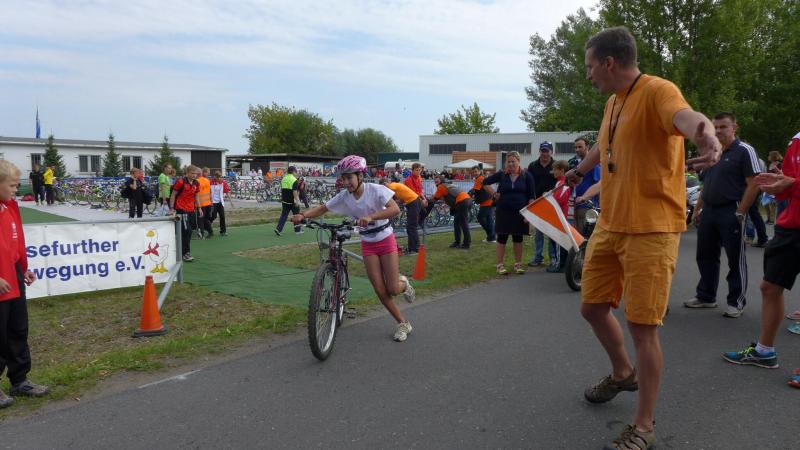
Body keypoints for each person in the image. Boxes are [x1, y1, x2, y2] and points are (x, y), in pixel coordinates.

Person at [565, 26, 721, 449]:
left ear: (609, 62)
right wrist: (580, 171)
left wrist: (706, 133)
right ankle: (623, 373)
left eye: (590, 66)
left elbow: (687, 117)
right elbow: (604, 144)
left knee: (642, 327)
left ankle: (644, 427)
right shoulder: (613, 102)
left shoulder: (658, 91)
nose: (588, 74)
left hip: (651, 227)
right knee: (592, 307)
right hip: (611, 223)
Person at [292, 155, 416, 342]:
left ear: (360, 176)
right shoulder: (344, 196)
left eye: (349, 177)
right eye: (343, 178)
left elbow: (395, 209)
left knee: (392, 288)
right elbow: (323, 208)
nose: (346, 182)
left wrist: (371, 217)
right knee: (380, 290)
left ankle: (404, 284)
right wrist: (303, 215)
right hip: (368, 243)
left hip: (385, 239)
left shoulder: (376, 190)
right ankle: (403, 323)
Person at [722, 130, 800, 389]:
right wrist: (777, 185)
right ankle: (764, 352)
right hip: (791, 226)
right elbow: (789, 184)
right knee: (770, 287)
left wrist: (790, 184)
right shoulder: (797, 141)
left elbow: (794, 182)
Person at [685, 112, 761, 318]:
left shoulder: (744, 150)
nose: (718, 131)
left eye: (723, 127)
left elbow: (754, 183)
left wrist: (741, 211)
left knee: (735, 258)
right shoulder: (713, 151)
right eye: (715, 127)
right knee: (705, 255)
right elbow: (706, 184)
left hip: (731, 210)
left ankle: (736, 301)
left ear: (735, 128)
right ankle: (706, 296)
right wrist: (698, 209)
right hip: (709, 210)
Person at [0, 160, 49, 409]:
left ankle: (19, 380)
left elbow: (14, 242)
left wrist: (23, 268)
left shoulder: (9, 207)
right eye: (11, 185)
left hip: (14, 277)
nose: (15, 189)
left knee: (18, 330)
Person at [482, 151, 536, 275]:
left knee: (518, 238)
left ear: (519, 161)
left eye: (513, 161)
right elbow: (484, 183)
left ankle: (518, 264)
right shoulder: (502, 174)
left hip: (520, 213)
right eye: (509, 161)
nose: (511, 164)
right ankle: (499, 265)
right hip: (503, 212)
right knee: (502, 238)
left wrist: (528, 214)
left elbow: (532, 196)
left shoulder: (527, 175)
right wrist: (494, 194)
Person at [528, 142, 556, 267]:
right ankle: (538, 257)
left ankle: (553, 257)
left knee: (551, 232)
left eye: (547, 151)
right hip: (537, 202)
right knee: (538, 232)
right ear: (540, 151)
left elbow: (561, 182)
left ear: (551, 152)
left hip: (552, 202)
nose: (545, 154)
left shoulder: (556, 165)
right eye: (543, 151)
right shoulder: (533, 165)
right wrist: (530, 198)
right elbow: (529, 183)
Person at [381, 178, 423, 255]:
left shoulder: (392, 185)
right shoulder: (396, 187)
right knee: (410, 227)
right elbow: (400, 200)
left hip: (413, 203)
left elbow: (387, 195)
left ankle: (415, 249)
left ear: (385, 183)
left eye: (384, 186)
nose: (384, 188)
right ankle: (412, 248)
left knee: (411, 227)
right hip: (412, 203)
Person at [169, 165, 202, 262]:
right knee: (187, 231)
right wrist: (172, 208)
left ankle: (180, 251)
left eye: (195, 174)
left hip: (191, 210)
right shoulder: (180, 182)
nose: (194, 175)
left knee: (188, 231)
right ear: (187, 173)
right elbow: (173, 195)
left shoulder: (196, 183)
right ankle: (185, 253)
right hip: (181, 209)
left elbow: (196, 196)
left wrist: (199, 208)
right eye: (192, 173)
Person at [570, 137, 601, 235]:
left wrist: (599, 206)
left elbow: (599, 185)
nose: (577, 149)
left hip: (588, 206)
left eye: (580, 147)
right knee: (578, 236)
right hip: (576, 205)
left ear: (587, 147)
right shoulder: (577, 165)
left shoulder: (594, 165)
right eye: (575, 147)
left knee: (587, 236)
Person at [431, 177, 473, 249]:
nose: (435, 181)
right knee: (457, 223)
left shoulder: (441, 186)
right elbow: (449, 197)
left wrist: (426, 201)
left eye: (437, 180)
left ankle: (466, 244)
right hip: (467, 200)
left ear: (441, 181)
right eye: (435, 181)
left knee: (463, 223)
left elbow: (435, 198)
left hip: (462, 201)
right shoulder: (448, 185)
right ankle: (457, 242)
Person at [546, 160, 572, 273]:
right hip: (557, 216)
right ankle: (561, 264)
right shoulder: (558, 183)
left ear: (562, 170)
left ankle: (560, 265)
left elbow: (559, 200)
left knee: (558, 242)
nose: (553, 172)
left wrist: (548, 198)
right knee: (556, 241)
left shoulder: (563, 184)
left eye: (555, 169)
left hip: (560, 217)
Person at [470, 165, 496, 243]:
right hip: (489, 201)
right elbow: (474, 189)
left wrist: (468, 195)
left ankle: (491, 235)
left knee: (480, 218)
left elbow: (474, 190)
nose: (474, 173)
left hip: (486, 203)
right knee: (489, 219)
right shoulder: (481, 178)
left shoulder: (480, 178)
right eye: (473, 172)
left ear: (479, 171)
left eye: (476, 171)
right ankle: (491, 237)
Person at [275, 166, 302, 236]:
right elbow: (294, 192)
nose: (296, 173)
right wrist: (297, 201)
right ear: (293, 172)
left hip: (284, 200)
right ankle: (298, 230)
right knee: (296, 215)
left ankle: (278, 229)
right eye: (296, 171)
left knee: (284, 215)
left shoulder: (284, 178)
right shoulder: (294, 180)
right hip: (292, 201)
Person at [209, 170, 232, 236]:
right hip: (213, 202)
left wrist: (231, 201)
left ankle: (223, 231)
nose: (219, 178)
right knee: (213, 216)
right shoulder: (210, 182)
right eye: (217, 177)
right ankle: (207, 225)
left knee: (222, 216)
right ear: (214, 176)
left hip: (220, 202)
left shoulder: (223, 183)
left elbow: (227, 191)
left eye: (219, 177)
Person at [196, 168, 214, 238]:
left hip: (200, 204)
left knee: (200, 220)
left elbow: (196, 193)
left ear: (197, 173)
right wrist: (211, 201)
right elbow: (210, 191)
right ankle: (210, 231)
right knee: (205, 219)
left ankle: (201, 234)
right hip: (208, 203)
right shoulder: (207, 180)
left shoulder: (196, 181)